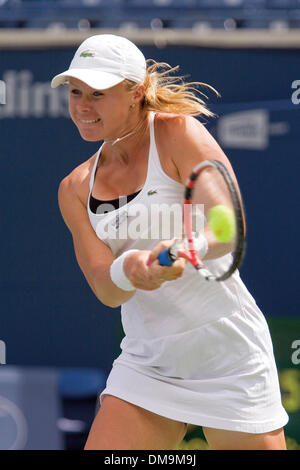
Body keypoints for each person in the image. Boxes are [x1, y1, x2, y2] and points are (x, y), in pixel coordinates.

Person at [51, 34, 288, 450]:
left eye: (98, 93)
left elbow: (227, 226)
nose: (83, 106)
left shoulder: (179, 133)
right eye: (75, 92)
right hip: (148, 363)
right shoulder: (73, 188)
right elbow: (105, 288)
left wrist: (177, 252)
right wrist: (132, 268)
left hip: (227, 356)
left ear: (135, 93)